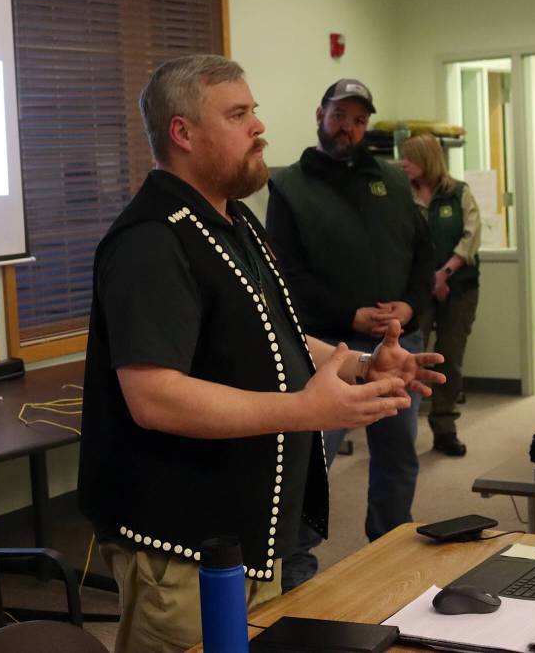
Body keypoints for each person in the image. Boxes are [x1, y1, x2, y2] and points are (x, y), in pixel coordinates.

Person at [78, 56, 444, 653]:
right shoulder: (150, 240)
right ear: (183, 133)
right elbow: (153, 398)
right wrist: (303, 411)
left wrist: (358, 363)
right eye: (238, 114)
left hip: (251, 527)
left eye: (254, 111)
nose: (259, 127)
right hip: (186, 544)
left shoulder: (235, 219)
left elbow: (281, 333)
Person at [265, 79, 434, 590]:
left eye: (359, 120)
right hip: (327, 349)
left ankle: (391, 546)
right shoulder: (289, 186)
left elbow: (422, 254)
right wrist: (351, 315)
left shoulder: (391, 179)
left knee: (398, 452)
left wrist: (411, 303)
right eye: (341, 116)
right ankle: (296, 566)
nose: (349, 128)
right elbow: (284, 276)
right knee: (311, 461)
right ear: (321, 114)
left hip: (397, 345)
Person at [400, 133, 481, 457]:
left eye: (410, 157)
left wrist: (443, 274)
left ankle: (445, 429)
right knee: (410, 357)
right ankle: (401, 431)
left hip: (459, 288)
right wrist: (428, 281)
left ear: (427, 159)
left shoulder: (459, 192)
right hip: (417, 293)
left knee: (449, 357)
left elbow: (471, 237)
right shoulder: (402, 197)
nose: (403, 163)